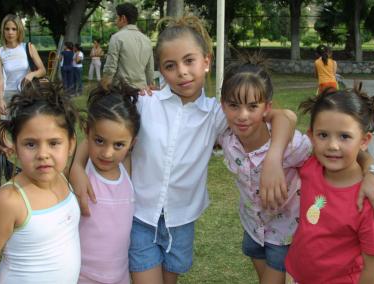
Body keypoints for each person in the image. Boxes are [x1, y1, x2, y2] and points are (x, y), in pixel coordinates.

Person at [72, 16, 298, 284]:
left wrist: (273, 160)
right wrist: (76, 166)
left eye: (189, 61)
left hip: (182, 222)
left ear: (206, 61)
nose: (181, 72)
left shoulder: (218, 113)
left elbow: (286, 117)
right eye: (170, 65)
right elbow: (101, 131)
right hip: (140, 218)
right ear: (160, 70)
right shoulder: (146, 103)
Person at [218, 57, 312, 284]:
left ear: (267, 108)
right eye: (233, 105)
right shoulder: (225, 138)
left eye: (252, 106)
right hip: (252, 228)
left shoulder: (291, 145)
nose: (242, 115)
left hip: (285, 233)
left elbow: (328, 156)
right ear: (222, 105)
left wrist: (371, 169)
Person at [0, 82, 81, 283]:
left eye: (54, 143)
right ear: (16, 147)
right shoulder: (10, 200)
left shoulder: (64, 178)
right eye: (30, 144)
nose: (43, 155)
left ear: (70, 144)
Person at [285, 87, 374, 284]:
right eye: (323, 135)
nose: (332, 145)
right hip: (299, 276)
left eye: (344, 136)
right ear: (311, 136)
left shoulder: (368, 200)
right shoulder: (310, 167)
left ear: (364, 141)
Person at [78, 82, 140, 284]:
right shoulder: (81, 170)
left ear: (132, 144)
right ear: (88, 133)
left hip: (120, 277)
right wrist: (77, 168)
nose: (107, 153)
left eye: (118, 145)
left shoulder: (126, 170)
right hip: (81, 276)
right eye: (99, 141)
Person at [0, 14, 46, 116]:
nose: (10, 32)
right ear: (3, 31)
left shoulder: (29, 47)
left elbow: (43, 70)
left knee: (28, 129)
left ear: (19, 30)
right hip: (9, 96)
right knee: (10, 129)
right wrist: (0, 100)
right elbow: (0, 79)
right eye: (7, 29)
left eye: (14, 29)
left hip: (28, 94)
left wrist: (31, 75)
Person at [102, 2, 154, 90]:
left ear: (123, 18)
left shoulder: (116, 38)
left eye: (116, 17)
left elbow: (110, 68)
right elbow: (150, 70)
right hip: (142, 91)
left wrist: (104, 88)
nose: (115, 21)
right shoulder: (147, 40)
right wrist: (150, 85)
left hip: (122, 92)